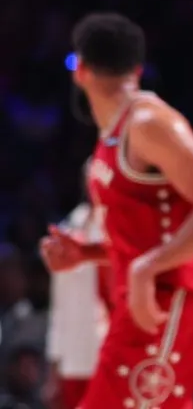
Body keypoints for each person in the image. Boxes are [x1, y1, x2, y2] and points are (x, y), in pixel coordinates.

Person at [38, 12, 193, 409]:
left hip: (174, 302)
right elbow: (148, 236)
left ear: (79, 70)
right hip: (150, 305)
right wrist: (87, 254)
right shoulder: (114, 132)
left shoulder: (149, 123)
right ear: (136, 69)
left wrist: (147, 267)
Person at [44, 159, 109, 409]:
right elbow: (60, 306)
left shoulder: (125, 227)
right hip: (78, 353)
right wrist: (54, 365)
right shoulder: (70, 228)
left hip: (117, 345)